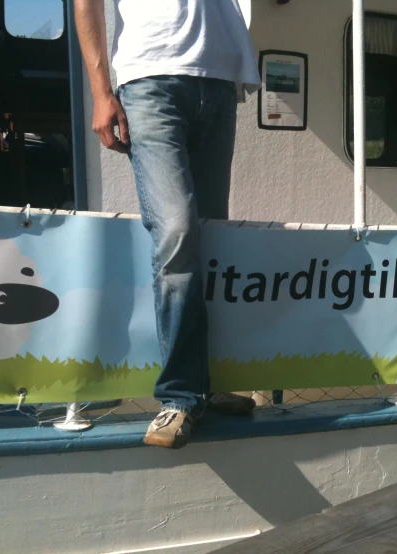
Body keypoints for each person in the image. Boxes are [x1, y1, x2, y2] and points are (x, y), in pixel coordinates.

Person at [74, 0, 262, 449]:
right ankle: (180, 395)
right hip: (150, 78)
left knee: (211, 239)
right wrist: (102, 93)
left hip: (218, 79)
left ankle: (205, 385)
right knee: (177, 232)